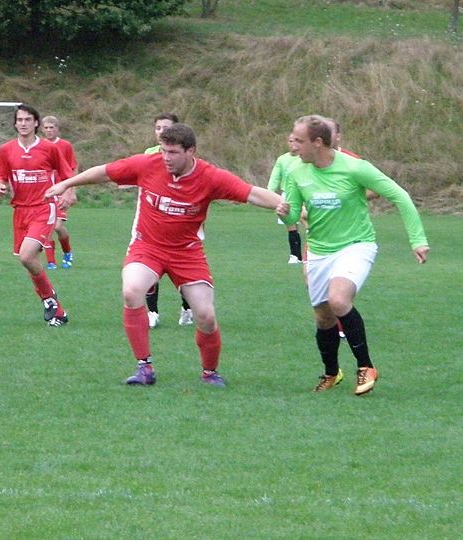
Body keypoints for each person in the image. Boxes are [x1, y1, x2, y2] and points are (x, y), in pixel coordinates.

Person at [45, 123, 289, 387]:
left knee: (205, 316)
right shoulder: (148, 164)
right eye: (163, 151)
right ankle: (144, 367)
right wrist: (67, 183)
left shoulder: (210, 177)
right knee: (131, 291)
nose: (166, 158)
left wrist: (283, 205)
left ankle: (209, 372)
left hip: (187, 253)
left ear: (190, 151)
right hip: (147, 247)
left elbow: (251, 193)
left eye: (172, 152)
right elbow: (104, 172)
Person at [280, 114, 429, 395]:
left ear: (318, 142)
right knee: (323, 317)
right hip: (320, 251)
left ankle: (366, 366)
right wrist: (284, 211)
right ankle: (331, 373)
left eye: (299, 140)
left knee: (338, 299)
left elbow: (400, 196)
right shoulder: (296, 171)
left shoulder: (355, 168)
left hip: (356, 245)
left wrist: (418, 240)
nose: (293, 146)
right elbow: (293, 208)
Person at [0, 104, 74, 327]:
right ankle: (57, 310)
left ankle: (49, 299)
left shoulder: (49, 148)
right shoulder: (6, 150)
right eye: (19, 120)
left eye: (28, 119)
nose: (23, 123)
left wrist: (69, 191)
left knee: (27, 256)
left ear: (36, 123)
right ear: (15, 123)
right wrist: (0, 186)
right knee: (29, 261)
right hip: (20, 210)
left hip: (44, 207)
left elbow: (67, 174)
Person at [143, 113, 194, 328]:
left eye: (166, 128)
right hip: (154, 224)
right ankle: (152, 312)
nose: (161, 132)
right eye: (157, 127)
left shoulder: (185, 158)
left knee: (183, 276)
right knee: (147, 271)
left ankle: (187, 307)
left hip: (182, 224)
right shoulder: (148, 156)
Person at [41, 115, 78, 270]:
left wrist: (71, 191)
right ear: (42, 129)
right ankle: (51, 262)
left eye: (52, 127)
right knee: (46, 227)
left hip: (61, 190)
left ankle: (67, 251)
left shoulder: (65, 145)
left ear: (57, 129)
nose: (49, 130)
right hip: (45, 191)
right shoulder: (39, 145)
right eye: (46, 128)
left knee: (57, 226)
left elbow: (73, 168)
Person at [267, 135, 305, 264]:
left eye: (297, 140)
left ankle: (311, 255)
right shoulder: (282, 159)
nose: (293, 143)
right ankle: (296, 255)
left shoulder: (305, 158)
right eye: (290, 140)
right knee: (291, 226)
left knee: (309, 224)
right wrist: (269, 193)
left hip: (304, 194)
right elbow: (275, 177)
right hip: (288, 196)